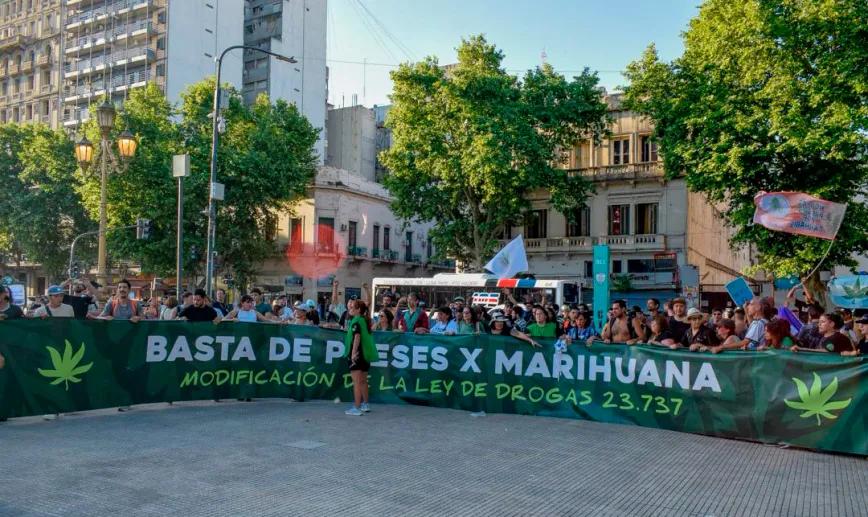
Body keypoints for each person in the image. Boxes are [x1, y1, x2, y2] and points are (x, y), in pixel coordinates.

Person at [344, 300, 374, 416]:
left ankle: (356, 407)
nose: (350, 309)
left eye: (352, 307)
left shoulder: (356, 321)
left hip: (357, 355)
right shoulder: (364, 321)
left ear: (358, 310)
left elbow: (357, 337)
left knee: (356, 382)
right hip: (365, 355)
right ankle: (365, 404)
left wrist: (353, 353)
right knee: (363, 381)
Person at [790, 313, 858, 355]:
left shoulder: (837, 338)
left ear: (832, 324)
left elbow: (823, 352)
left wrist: (801, 349)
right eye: (819, 322)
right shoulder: (822, 336)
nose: (819, 324)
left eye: (822, 322)